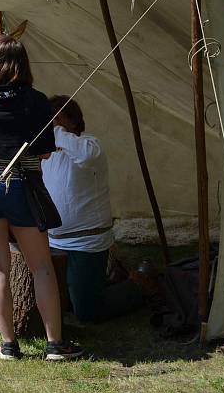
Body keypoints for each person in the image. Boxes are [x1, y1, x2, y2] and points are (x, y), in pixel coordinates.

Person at [0, 33, 83, 361]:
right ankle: (55, 344)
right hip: (24, 188)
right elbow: (44, 154)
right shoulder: (37, 101)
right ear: (22, 64)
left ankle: (9, 345)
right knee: (41, 266)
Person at [42, 96, 147, 323]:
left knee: (88, 312)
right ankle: (108, 280)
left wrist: (56, 131)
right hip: (53, 241)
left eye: (57, 119)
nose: (50, 125)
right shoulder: (47, 153)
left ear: (73, 121)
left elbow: (86, 155)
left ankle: (139, 286)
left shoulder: (89, 144)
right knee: (62, 304)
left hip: (85, 243)